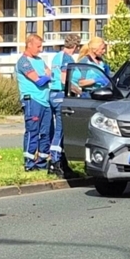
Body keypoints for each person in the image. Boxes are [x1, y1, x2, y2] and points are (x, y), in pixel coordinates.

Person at [47, 33, 82, 178]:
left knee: (60, 130)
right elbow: (64, 79)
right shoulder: (67, 58)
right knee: (61, 130)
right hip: (61, 95)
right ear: (75, 46)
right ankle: (55, 162)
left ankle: (61, 161)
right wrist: (78, 91)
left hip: (54, 95)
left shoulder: (57, 56)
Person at [16, 33, 52, 172]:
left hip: (45, 101)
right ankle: (29, 163)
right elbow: (39, 80)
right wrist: (46, 76)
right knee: (33, 131)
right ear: (29, 45)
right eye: (38, 46)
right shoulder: (23, 62)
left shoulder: (40, 60)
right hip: (32, 100)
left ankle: (42, 162)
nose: (41, 49)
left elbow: (50, 74)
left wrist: (46, 76)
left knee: (45, 133)